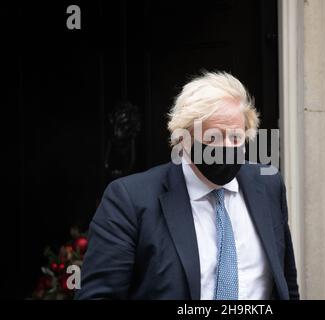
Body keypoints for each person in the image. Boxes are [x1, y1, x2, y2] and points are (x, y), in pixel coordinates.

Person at [75, 71, 299, 300]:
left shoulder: (268, 185)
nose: (226, 148)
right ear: (183, 139)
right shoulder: (129, 200)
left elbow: (287, 283)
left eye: (235, 137)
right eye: (212, 138)